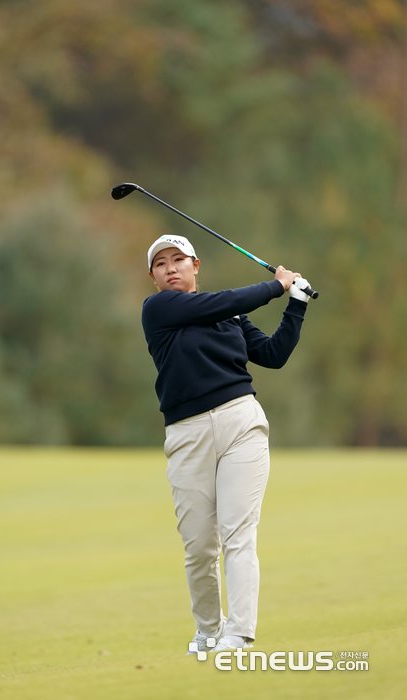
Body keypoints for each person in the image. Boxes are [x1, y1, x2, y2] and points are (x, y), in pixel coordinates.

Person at [141, 233, 310, 654]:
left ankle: (239, 633)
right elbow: (222, 303)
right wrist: (277, 285)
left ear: (196, 266)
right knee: (199, 547)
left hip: (241, 424)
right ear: (153, 277)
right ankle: (208, 630)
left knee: (238, 533)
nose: (171, 268)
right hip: (187, 435)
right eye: (161, 264)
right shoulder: (159, 309)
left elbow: (271, 355)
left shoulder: (230, 316)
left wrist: (297, 306)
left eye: (179, 259)